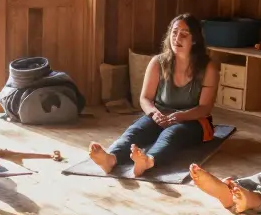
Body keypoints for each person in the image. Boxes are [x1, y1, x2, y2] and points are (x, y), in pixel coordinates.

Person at [89, 14, 221, 177]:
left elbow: (205, 108)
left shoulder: (208, 68)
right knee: (135, 131)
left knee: (171, 134)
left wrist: (180, 116)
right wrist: (154, 113)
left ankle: (148, 161)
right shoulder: (158, 62)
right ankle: (111, 159)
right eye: (174, 32)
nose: (177, 38)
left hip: (194, 119)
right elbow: (145, 98)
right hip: (161, 113)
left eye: (184, 34)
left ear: (195, 40)